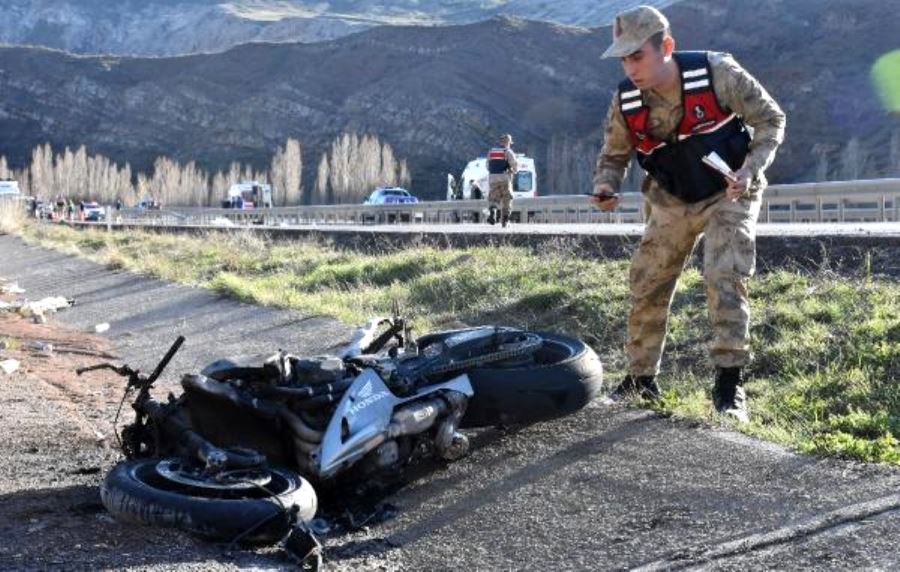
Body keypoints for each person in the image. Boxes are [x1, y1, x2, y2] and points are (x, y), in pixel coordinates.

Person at [590, 5, 786, 422]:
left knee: (724, 275)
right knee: (648, 280)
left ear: (667, 47)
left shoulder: (717, 73)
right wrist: (604, 185)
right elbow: (614, 155)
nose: (630, 67)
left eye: (637, 55)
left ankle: (729, 388)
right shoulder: (625, 100)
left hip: (729, 191)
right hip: (671, 197)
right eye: (623, 58)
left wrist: (750, 170)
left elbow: (771, 120)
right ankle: (641, 381)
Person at [486, 134, 518, 227]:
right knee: (507, 199)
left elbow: (487, 165)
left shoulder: (491, 152)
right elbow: (514, 165)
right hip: (504, 177)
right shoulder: (508, 151)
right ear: (508, 142)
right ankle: (505, 221)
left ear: (500, 142)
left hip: (492, 178)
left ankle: (492, 213)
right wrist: (513, 171)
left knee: (493, 198)